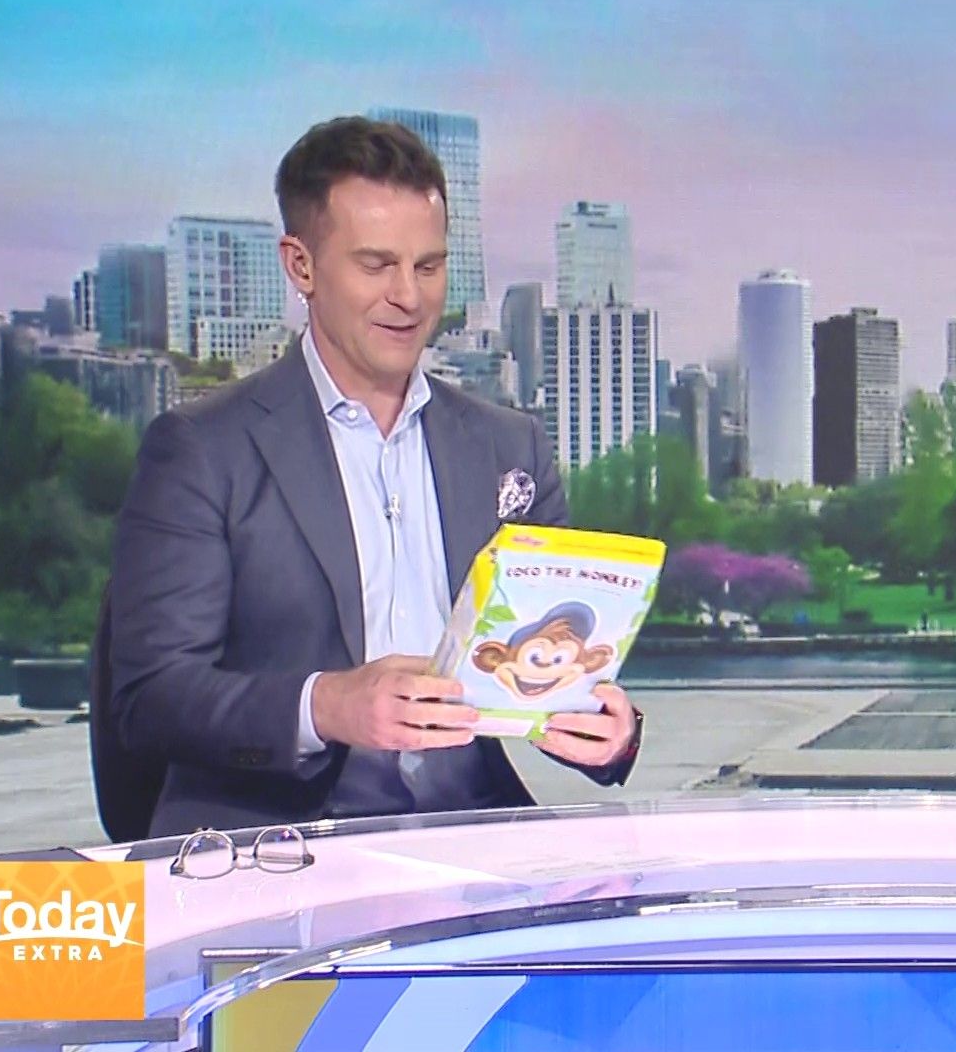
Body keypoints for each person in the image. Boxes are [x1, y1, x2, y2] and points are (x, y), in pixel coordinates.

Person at [105, 117, 642, 838]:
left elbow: (550, 660)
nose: (409, 297)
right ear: (301, 267)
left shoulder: (509, 446)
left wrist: (607, 728)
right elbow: (150, 699)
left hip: (476, 839)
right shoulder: (203, 449)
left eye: (428, 267)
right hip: (278, 847)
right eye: (376, 265)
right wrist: (328, 706)